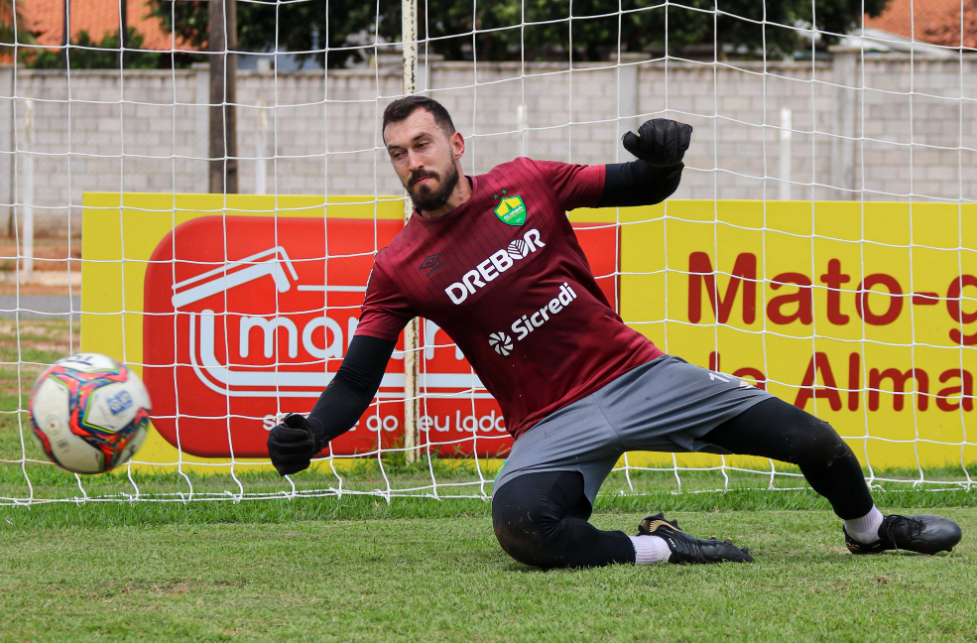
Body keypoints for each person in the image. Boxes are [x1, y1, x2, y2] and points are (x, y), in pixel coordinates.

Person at [267, 95, 962, 567]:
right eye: (396, 153)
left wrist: (664, 158)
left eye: (421, 144)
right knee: (520, 529)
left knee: (814, 441)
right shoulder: (398, 267)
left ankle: (869, 532)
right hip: (549, 421)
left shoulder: (526, 182)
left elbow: (642, 183)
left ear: (453, 142)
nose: (412, 162)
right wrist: (314, 431)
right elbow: (359, 377)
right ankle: (663, 546)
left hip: (639, 377)